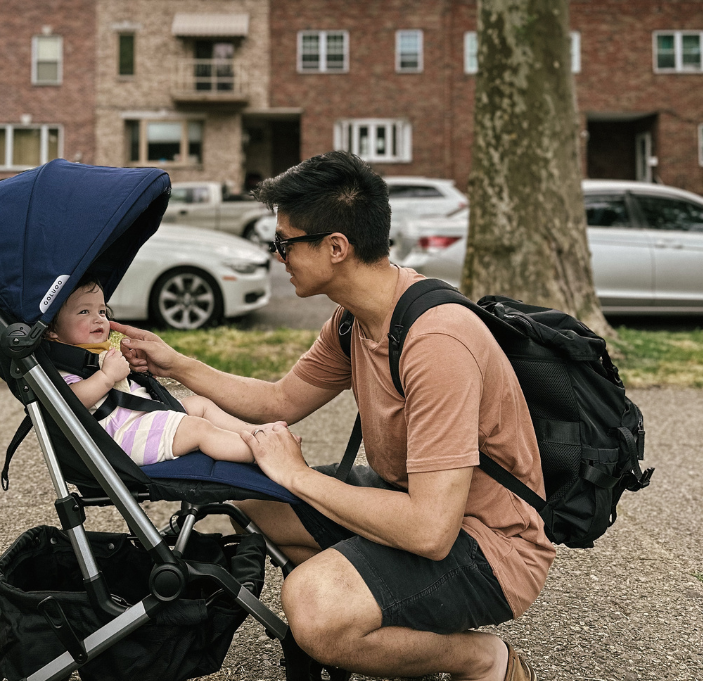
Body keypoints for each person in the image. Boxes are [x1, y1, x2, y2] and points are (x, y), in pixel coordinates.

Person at [115, 152, 554, 681]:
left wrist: (298, 475)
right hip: (411, 504)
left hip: (489, 545)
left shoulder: (436, 342)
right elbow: (279, 401)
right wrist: (177, 363)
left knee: (315, 610)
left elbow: (431, 531)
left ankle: (485, 660)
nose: (278, 255)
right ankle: (367, 613)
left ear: (336, 247)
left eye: (284, 243)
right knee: (258, 497)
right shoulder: (354, 321)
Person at [46, 278, 288, 466]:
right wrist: (107, 376)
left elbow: (126, 388)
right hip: (123, 437)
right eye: (83, 312)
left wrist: (131, 367)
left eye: (101, 311)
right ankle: (263, 453)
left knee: (200, 405)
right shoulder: (64, 367)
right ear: (52, 331)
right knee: (198, 429)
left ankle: (256, 433)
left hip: (141, 417)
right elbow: (68, 402)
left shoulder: (97, 352)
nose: (98, 319)